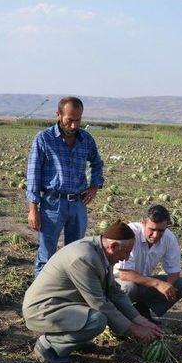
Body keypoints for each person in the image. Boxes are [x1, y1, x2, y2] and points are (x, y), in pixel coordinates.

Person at [22, 221, 163, 363]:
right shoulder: (84, 258)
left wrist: (138, 319)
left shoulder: (104, 251)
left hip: (62, 303)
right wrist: (133, 329)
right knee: (97, 320)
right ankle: (48, 346)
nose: (126, 258)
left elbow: (114, 292)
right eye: (126, 252)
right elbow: (100, 304)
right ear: (113, 246)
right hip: (42, 309)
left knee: (95, 317)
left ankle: (76, 341)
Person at [26, 96, 104, 276]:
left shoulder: (86, 139)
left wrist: (94, 186)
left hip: (78, 204)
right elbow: (33, 174)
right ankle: (42, 299)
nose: (75, 125)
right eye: (70, 120)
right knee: (47, 256)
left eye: (78, 120)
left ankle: (66, 296)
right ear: (59, 115)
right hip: (52, 204)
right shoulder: (44, 139)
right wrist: (33, 209)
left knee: (75, 255)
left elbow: (97, 163)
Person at [114, 204, 182, 324]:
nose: (156, 235)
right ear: (143, 223)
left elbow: (174, 272)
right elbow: (124, 274)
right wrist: (158, 284)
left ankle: (142, 310)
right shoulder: (130, 233)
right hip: (116, 283)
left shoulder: (169, 238)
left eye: (161, 230)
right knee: (128, 287)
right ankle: (118, 321)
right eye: (152, 229)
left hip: (144, 282)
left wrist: (167, 287)